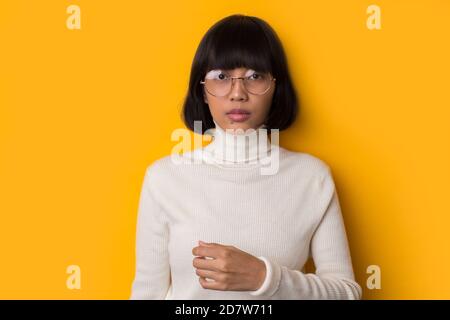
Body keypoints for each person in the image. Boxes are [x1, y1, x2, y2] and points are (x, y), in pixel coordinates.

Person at [130, 14, 362, 300]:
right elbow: (147, 294)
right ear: (202, 90)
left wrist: (265, 277)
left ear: (275, 87)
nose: (237, 93)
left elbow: (347, 294)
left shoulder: (312, 177)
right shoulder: (164, 178)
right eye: (221, 77)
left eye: (255, 76)